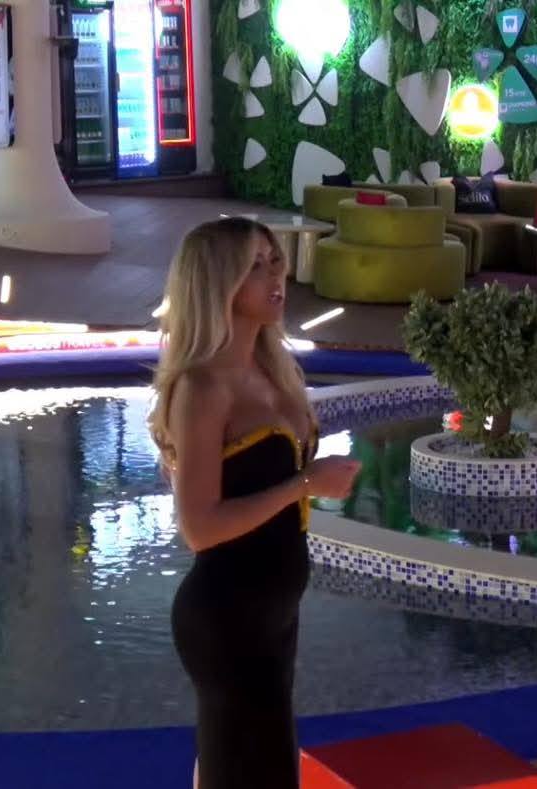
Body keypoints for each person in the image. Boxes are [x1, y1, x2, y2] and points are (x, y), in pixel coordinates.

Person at [148, 217, 360, 788]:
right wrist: (304, 485)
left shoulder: (272, 368)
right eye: (255, 266)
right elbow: (199, 527)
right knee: (245, 767)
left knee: (265, 765)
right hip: (227, 615)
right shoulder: (203, 387)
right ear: (219, 282)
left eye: (275, 261)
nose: (276, 276)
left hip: (275, 611)